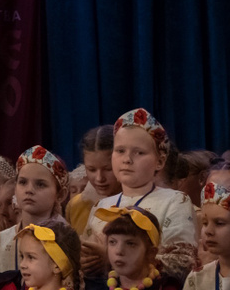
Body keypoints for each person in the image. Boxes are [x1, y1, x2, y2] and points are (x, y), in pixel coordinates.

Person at [84, 109, 196, 280]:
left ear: (160, 161)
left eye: (139, 153)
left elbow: (183, 261)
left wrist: (111, 258)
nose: (127, 159)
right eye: (120, 151)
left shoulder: (174, 201)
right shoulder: (101, 206)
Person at [0, 146, 70, 271]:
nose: (29, 190)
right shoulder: (1, 241)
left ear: (60, 194)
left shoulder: (68, 241)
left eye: (40, 184)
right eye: (23, 182)